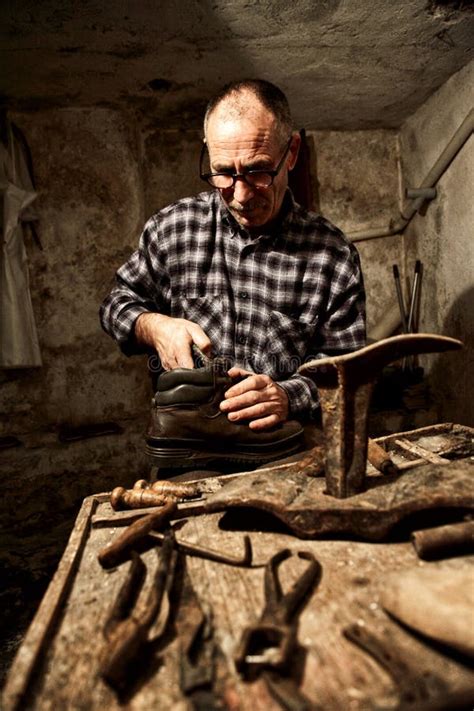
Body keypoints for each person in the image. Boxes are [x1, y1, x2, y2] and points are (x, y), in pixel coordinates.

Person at [100, 79, 366, 435]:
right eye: (223, 172)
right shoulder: (170, 229)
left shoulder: (333, 256)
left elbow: (349, 372)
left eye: (258, 171)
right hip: (187, 446)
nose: (240, 195)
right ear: (209, 152)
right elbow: (115, 305)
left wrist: (288, 397)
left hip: (284, 449)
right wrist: (153, 326)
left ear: (291, 152)